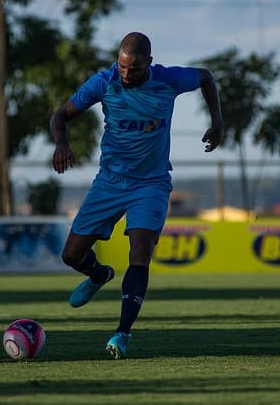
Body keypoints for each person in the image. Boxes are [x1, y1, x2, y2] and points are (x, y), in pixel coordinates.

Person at [49, 32, 223, 359]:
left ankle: (122, 332)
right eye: (122, 67)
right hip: (110, 182)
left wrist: (218, 123)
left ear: (149, 64)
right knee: (71, 256)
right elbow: (61, 114)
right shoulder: (104, 82)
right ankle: (99, 274)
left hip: (152, 184)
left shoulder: (168, 79)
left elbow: (206, 77)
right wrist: (61, 142)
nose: (126, 74)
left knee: (140, 251)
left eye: (135, 69)